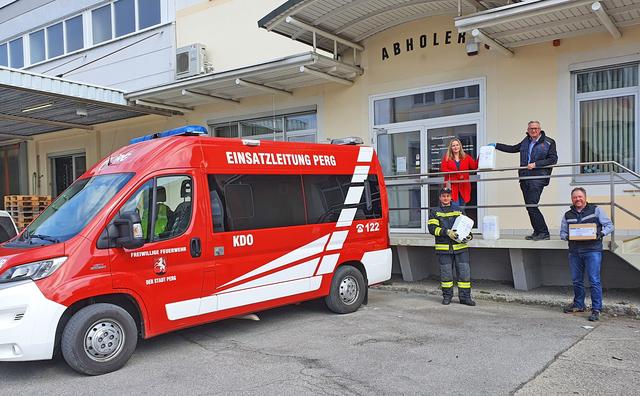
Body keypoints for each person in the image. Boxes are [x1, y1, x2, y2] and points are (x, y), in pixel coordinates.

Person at [490, 121, 558, 240]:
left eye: (536, 128)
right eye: (531, 128)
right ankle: (537, 232)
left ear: (540, 129)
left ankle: (544, 232)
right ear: (528, 130)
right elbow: (513, 148)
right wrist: (496, 145)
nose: (533, 130)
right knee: (529, 206)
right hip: (524, 177)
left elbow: (553, 159)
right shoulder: (526, 141)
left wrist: (536, 164)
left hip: (538, 177)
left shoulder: (549, 142)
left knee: (532, 205)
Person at [560, 187, 613, 322]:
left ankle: (596, 309)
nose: (578, 199)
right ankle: (579, 305)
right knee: (576, 280)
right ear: (572, 199)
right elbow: (563, 232)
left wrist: (600, 234)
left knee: (594, 280)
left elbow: (609, 226)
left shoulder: (596, 210)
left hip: (592, 250)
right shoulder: (567, 215)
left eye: (580, 196)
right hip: (574, 251)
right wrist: (568, 236)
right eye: (575, 197)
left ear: (585, 197)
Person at [427, 187, 475, 306]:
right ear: (440, 198)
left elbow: (466, 227)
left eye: (448, 196)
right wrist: (447, 232)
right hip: (444, 249)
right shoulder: (435, 212)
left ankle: (465, 298)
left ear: (451, 197)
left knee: (464, 274)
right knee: (446, 275)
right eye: (443, 196)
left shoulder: (459, 210)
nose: (446, 198)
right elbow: (432, 229)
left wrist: (469, 236)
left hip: (460, 248)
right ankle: (447, 297)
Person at [440, 138, 478, 206]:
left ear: (460, 146)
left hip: (464, 186)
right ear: (451, 147)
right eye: (453, 145)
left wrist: (481, 155)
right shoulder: (447, 157)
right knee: (455, 207)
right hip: (452, 187)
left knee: (462, 208)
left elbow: (474, 166)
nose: (455, 147)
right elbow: (443, 170)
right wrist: (457, 174)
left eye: (457, 145)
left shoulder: (466, 157)